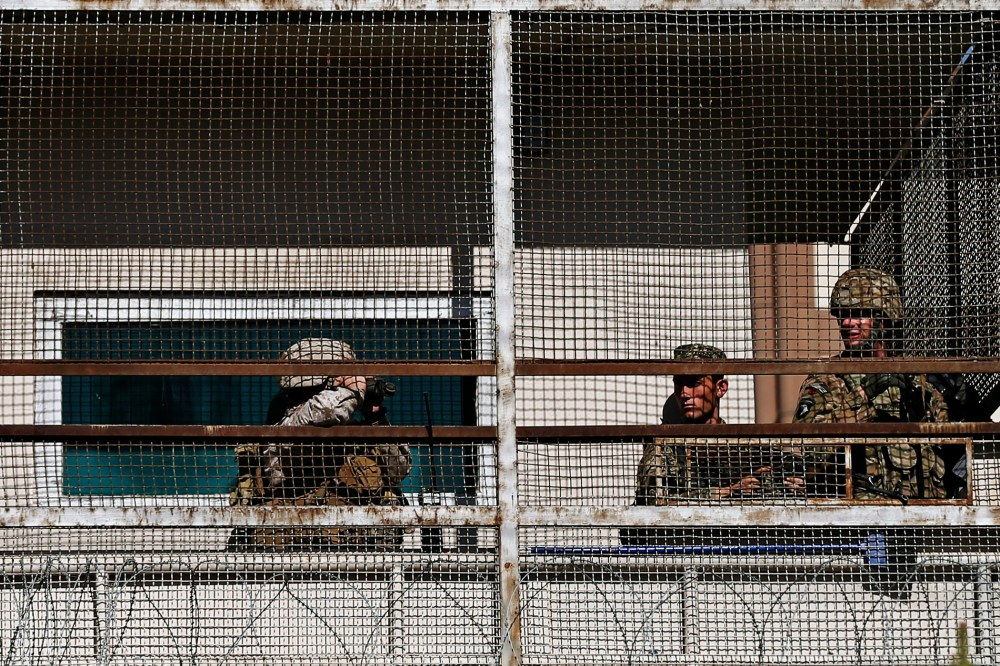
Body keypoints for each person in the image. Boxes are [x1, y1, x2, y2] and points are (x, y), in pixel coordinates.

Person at [227, 338, 411, 551]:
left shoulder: (360, 433)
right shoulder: (288, 423)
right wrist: (353, 391)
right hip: (288, 557)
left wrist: (376, 418)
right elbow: (325, 411)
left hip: (357, 557)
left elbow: (399, 470)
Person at [791, 268, 956, 502]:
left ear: (883, 320)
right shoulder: (827, 382)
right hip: (862, 518)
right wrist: (863, 395)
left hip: (926, 516)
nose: (847, 323)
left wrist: (960, 402)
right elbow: (807, 454)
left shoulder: (918, 385)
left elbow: (955, 449)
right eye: (843, 315)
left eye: (859, 314)